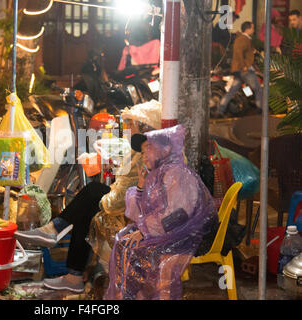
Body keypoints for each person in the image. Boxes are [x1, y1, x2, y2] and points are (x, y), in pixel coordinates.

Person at [15, 103, 160, 293]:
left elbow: (122, 199)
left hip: (135, 212)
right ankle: (72, 274)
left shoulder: (148, 155)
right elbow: (123, 167)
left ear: (145, 128)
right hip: (130, 203)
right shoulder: (140, 149)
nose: (128, 128)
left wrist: (106, 197)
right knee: (86, 208)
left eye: (132, 124)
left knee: (92, 194)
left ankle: (56, 232)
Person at [104, 125, 217, 300]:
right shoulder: (156, 175)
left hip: (186, 236)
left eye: (148, 148)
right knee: (123, 240)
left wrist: (145, 232)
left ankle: (134, 296)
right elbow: (138, 215)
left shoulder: (176, 173)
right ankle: (131, 296)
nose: (144, 155)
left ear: (167, 149)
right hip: (167, 232)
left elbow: (178, 215)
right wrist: (140, 187)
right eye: (142, 152)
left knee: (134, 250)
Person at [216, 21, 263, 118]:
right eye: (253, 28)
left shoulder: (244, 39)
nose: (253, 30)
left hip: (240, 69)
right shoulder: (243, 39)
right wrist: (244, 66)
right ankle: (260, 109)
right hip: (244, 70)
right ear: (248, 29)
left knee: (232, 90)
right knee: (258, 89)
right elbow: (238, 53)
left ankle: (220, 109)